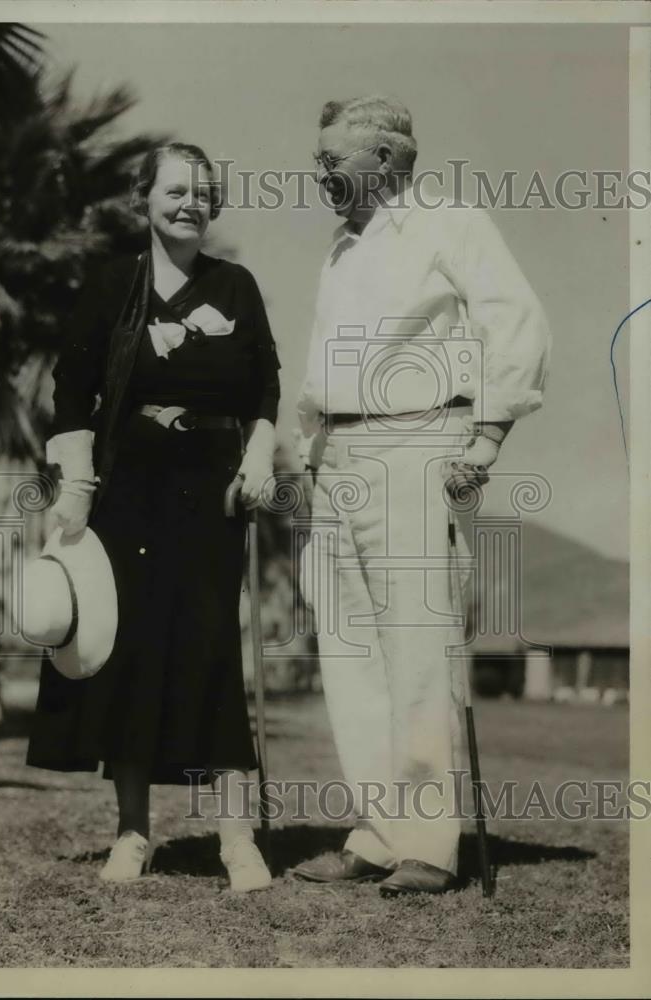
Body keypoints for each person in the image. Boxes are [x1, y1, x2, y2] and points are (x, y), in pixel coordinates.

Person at [292, 97, 550, 895]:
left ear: (386, 161)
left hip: (417, 445)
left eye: (333, 160)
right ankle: (373, 833)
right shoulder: (341, 248)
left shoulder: (451, 222)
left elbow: (517, 322)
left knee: (414, 649)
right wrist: (308, 456)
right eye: (318, 159)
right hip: (338, 456)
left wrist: (487, 437)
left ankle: (429, 847)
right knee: (350, 654)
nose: (319, 173)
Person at [26, 141, 281, 892]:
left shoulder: (235, 287)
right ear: (144, 198)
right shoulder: (112, 286)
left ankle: (238, 840)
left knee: (210, 653)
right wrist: (75, 485)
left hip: (211, 493)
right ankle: (133, 835)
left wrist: (258, 458)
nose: (189, 202)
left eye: (202, 191)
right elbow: (71, 389)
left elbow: (264, 384)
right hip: (124, 493)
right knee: (127, 655)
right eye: (174, 189)